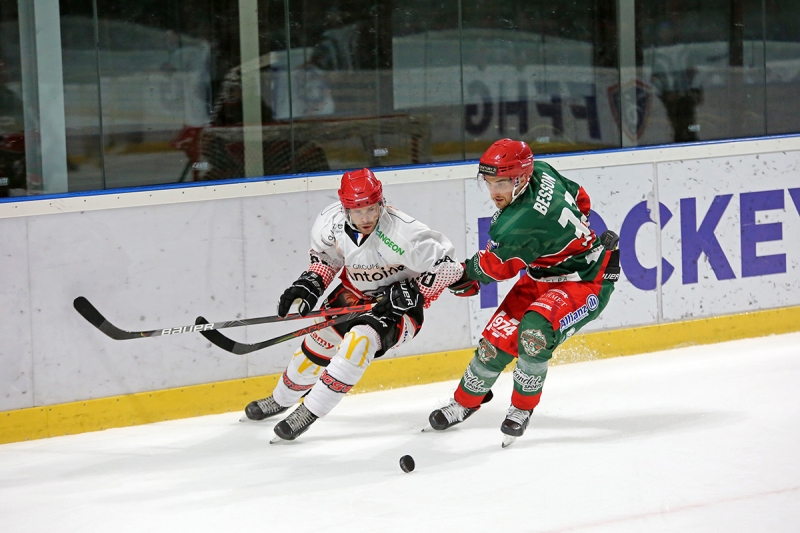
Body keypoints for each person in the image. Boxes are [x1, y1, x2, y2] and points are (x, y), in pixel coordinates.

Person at [247, 167, 463, 441]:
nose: (365, 218)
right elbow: (327, 260)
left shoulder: (406, 233)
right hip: (352, 294)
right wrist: (311, 282)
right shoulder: (330, 222)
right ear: (344, 208)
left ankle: (309, 412)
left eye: (371, 210)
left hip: (397, 308)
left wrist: (415, 290)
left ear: (381, 202)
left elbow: (451, 267)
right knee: (315, 345)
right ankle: (280, 399)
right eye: (357, 211)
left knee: (358, 344)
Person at [430, 138, 620, 446]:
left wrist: (455, 275)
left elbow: (492, 269)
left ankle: (521, 408)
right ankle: (465, 402)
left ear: (521, 178)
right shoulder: (542, 171)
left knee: (534, 333)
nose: (494, 193)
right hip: (540, 278)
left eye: (502, 183)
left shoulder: (519, 222)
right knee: (494, 344)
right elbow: (581, 199)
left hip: (583, 280)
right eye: (489, 183)